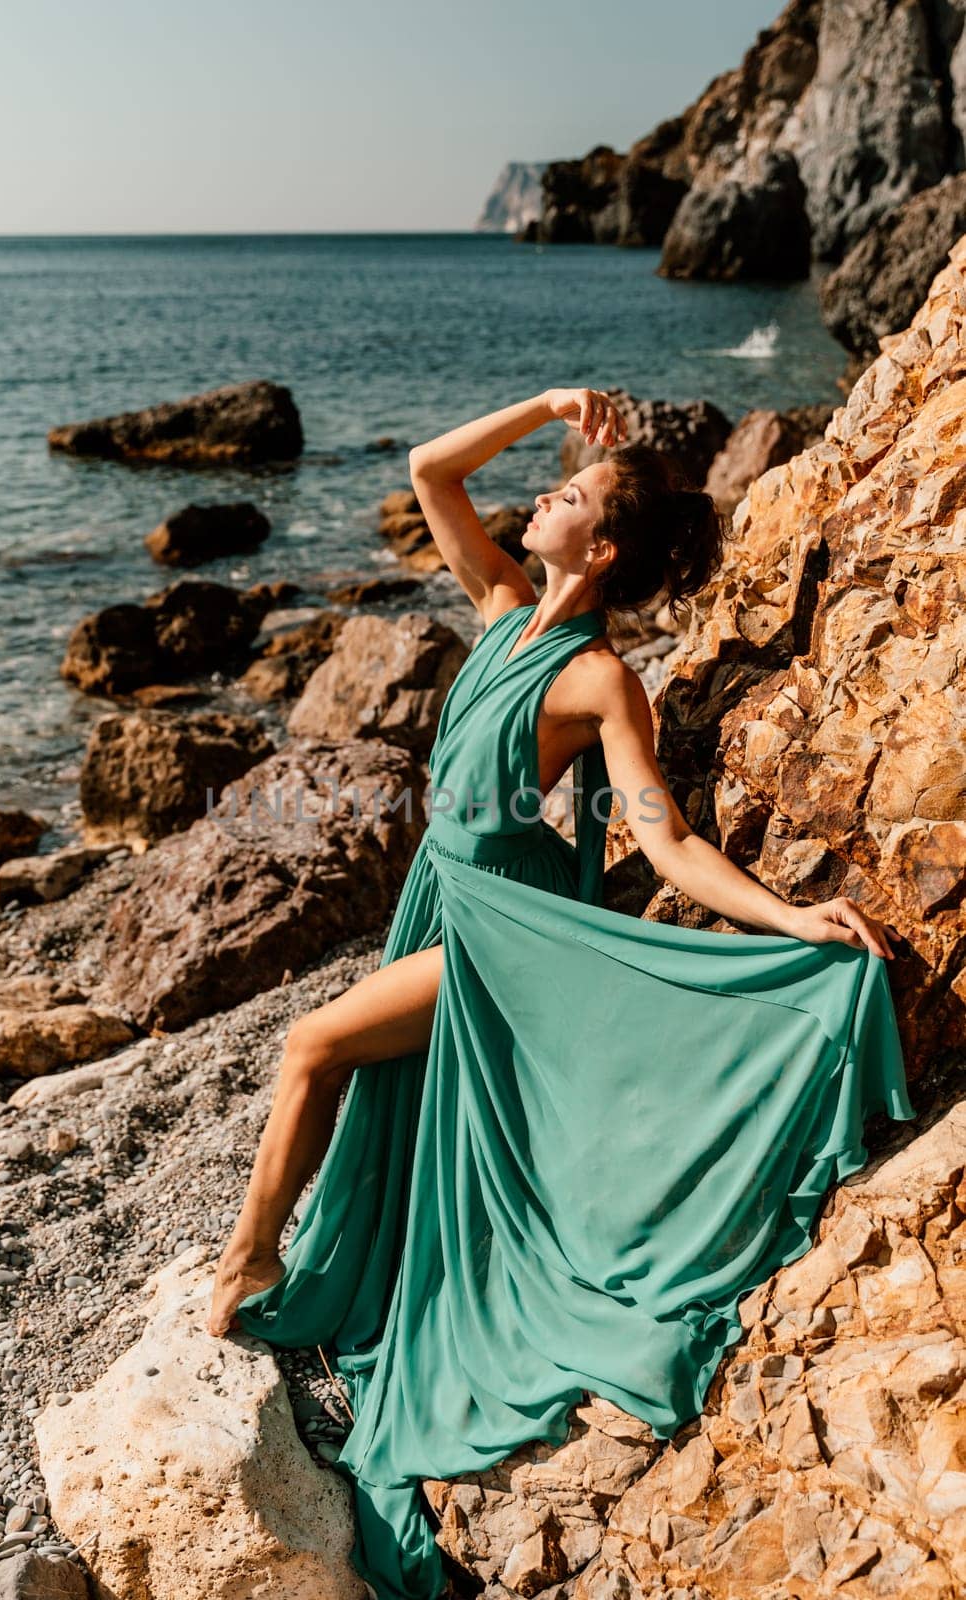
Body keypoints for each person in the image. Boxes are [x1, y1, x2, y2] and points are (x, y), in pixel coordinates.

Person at [205, 388, 915, 1600]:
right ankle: (331, 1282)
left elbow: (671, 842)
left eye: (569, 495)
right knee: (375, 1088)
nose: (540, 496)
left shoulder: (598, 683)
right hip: (439, 901)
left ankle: (245, 1273)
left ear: (603, 551)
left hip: (507, 932)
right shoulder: (496, 612)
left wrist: (792, 916)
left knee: (311, 1045)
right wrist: (542, 407)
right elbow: (432, 468)